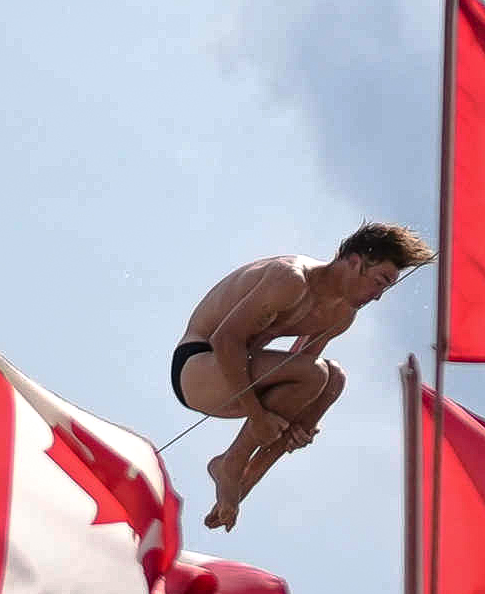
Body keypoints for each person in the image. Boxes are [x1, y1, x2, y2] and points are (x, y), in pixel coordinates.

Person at [172, 222, 433, 531]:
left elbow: (304, 381)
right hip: (197, 366)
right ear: (354, 262)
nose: (377, 296)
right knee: (315, 374)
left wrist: (301, 422)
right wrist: (257, 415)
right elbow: (226, 339)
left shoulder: (341, 315)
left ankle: (243, 483)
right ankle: (231, 463)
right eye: (379, 282)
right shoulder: (291, 279)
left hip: (234, 379)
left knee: (333, 379)